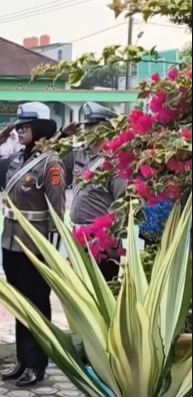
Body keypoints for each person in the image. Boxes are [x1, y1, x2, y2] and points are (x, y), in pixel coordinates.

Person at [0, 102, 66, 387]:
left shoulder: (51, 163)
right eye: (18, 127)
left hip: (35, 247)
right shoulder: (16, 158)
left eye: (25, 126)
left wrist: (51, 255)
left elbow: (56, 215)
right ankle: (22, 359)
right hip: (11, 243)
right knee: (19, 303)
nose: (19, 131)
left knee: (37, 305)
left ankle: (36, 363)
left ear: (39, 128)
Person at [63, 102, 127, 282]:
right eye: (87, 125)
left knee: (103, 290)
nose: (87, 129)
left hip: (102, 243)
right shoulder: (79, 153)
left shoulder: (114, 161)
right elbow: (49, 155)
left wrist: (108, 237)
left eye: (92, 125)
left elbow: (122, 204)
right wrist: (63, 134)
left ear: (107, 128)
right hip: (78, 236)